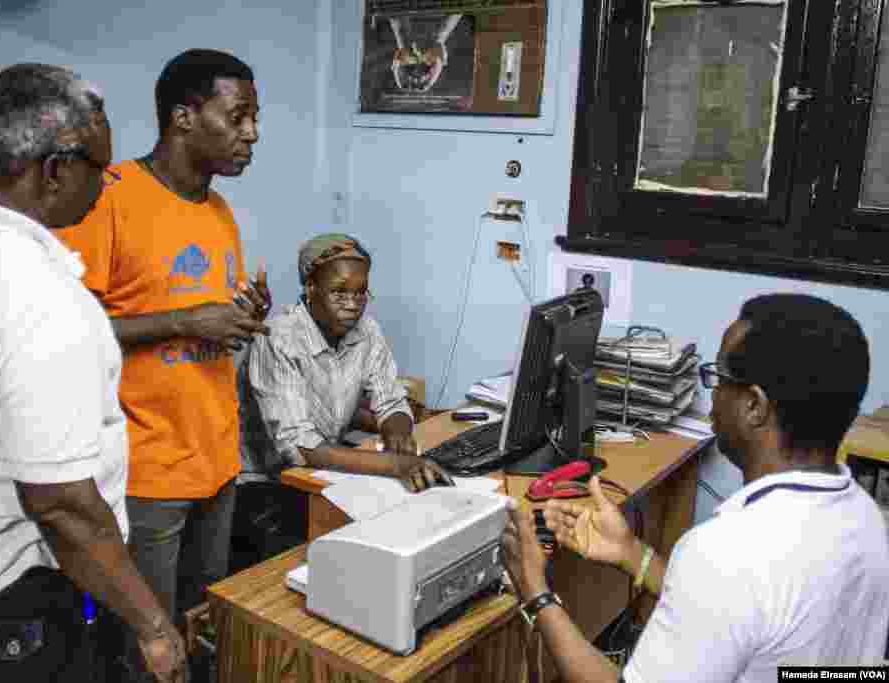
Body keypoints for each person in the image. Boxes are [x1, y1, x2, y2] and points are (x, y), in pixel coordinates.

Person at [0, 64, 185, 683]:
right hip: (19, 598)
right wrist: (153, 625)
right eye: (102, 167)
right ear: (55, 170)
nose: (109, 184)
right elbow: (60, 502)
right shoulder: (38, 292)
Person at [501, 293, 889, 682]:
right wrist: (632, 553)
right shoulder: (865, 517)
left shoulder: (727, 553)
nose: (713, 395)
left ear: (754, 405)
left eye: (718, 378)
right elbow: (748, 608)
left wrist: (536, 590)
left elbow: (736, 582)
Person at [54, 48, 269, 678]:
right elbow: (69, 332)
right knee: (148, 652)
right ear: (184, 116)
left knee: (201, 637)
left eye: (255, 117)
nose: (252, 132)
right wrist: (185, 321)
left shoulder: (219, 212)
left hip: (216, 461)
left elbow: (202, 316)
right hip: (146, 475)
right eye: (239, 116)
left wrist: (240, 316)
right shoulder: (109, 198)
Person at [242, 232, 451, 493]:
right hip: (268, 480)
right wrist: (396, 464)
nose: (353, 304)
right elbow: (298, 447)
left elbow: (391, 401)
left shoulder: (367, 331)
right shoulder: (278, 339)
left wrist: (397, 431)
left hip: (326, 470)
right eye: (339, 292)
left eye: (361, 293)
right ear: (310, 287)